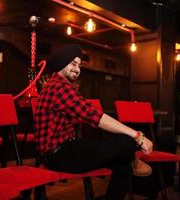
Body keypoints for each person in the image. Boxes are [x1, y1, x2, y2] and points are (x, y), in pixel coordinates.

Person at [34, 44, 153, 200]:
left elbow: (90, 114)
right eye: (73, 63)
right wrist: (138, 136)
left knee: (122, 166)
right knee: (127, 142)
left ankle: (129, 161)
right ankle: (131, 158)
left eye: (79, 65)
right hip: (58, 155)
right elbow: (95, 117)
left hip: (65, 148)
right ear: (63, 63)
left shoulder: (56, 84)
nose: (78, 69)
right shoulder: (58, 86)